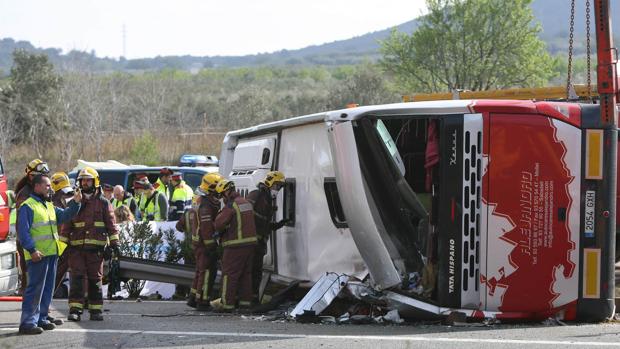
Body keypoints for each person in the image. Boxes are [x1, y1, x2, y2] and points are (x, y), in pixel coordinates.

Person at [17, 174, 81, 335]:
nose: (50, 189)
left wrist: (76, 203)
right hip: (37, 255)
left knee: (47, 288)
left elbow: (66, 215)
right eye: (47, 186)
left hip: (51, 254)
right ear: (37, 187)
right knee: (35, 289)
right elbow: (23, 232)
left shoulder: (48, 205)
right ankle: (27, 323)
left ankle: (41, 318)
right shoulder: (28, 206)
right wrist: (32, 250)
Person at [59, 167, 119, 322]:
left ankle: (95, 310)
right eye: (82, 180)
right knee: (76, 278)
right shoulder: (74, 202)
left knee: (95, 280)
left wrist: (114, 245)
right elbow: (66, 227)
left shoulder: (104, 203)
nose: (85, 183)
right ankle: (75, 309)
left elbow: (111, 225)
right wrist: (61, 249)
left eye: (88, 180)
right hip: (76, 250)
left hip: (96, 251)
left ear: (95, 181)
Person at [177, 173, 222, 311]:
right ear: (212, 187)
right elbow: (207, 227)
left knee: (200, 272)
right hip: (204, 244)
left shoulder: (202, 200)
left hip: (199, 243)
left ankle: (193, 298)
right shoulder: (207, 204)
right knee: (207, 273)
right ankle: (202, 301)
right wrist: (211, 245)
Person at [213, 179, 257, 312]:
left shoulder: (231, 206)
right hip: (250, 244)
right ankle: (245, 303)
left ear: (226, 192)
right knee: (246, 275)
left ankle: (227, 304)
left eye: (221, 195)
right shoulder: (245, 202)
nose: (221, 198)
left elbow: (218, 224)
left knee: (229, 275)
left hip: (235, 245)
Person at [246, 171, 288, 302]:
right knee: (251, 272)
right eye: (277, 186)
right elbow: (247, 217)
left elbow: (264, 223)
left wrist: (278, 225)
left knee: (256, 272)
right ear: (269, 182)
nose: (278, 189)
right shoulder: (257, 195)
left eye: (280, 187)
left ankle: (253, 299)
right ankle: (247, 300)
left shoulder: (267, 199)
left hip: (260, 243)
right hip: (252, 242)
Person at [15, 159, 51, 297]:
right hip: (29, 244)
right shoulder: (25, 195)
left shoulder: (39, 193)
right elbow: (24, 225)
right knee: (31, 279)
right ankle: (31, 310)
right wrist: (30, 248)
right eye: (41, 176)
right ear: (31, 176)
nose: (45, 180)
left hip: (39, 243)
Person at [50, 172, 76, 296]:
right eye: (62, 191)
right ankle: (45, 302)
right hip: (58, 247)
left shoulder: (62, 202)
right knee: (54, 276)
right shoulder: (51, 206)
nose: (66, 194)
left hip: (65, 245)